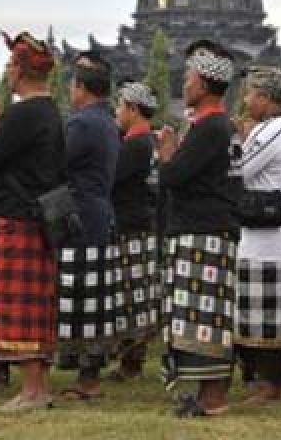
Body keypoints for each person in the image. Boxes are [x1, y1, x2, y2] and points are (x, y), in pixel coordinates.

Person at [0, 31, 65, 413]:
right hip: (37, 217)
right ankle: (38, 386)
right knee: (35, 303)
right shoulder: (50, 111)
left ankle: (32, 391)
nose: (7, 72)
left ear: (22, 70)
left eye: (11, 65)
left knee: (21, 307)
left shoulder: (22, 113)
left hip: (16, 216)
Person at [155, 40, 239, 419]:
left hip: (205, 230)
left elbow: (173, 176)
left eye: (189, 77)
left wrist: (168, 151)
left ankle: (215, 397)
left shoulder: (211, 127)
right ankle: (207, 393)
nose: (184, 83)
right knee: (200, 316)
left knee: (207, 319)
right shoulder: (214, 125)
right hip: (204, 229)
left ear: (204, 84)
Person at [232, 66, 281, 406]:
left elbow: (239, 171)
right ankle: (268, 381)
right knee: (267, 315)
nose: (246, 101)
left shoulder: (274, 130)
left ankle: (270, 384)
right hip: (280, 235)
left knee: (264, 318)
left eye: (250, 94)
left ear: (265, 98)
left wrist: (239, 140)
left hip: (268, 238)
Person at [56, 51, 122, 401]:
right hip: (99, 211)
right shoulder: (107, 120)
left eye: (72, 85)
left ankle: (88, 376)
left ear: (81, 87)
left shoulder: (82, 123)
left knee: (81, 295)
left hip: (80, 215)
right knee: (94, 296)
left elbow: (56, 163)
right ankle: (89, 372)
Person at [110, 80, 160, 381]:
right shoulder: (149, 142)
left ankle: (131, 363)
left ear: (132, 108)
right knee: (136, 295)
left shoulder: (135, 145)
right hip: (144, 223)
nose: (117, 113)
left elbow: (112, 180)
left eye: (120, 106)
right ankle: (131, 360)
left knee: (130, 297)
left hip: (130, 224)